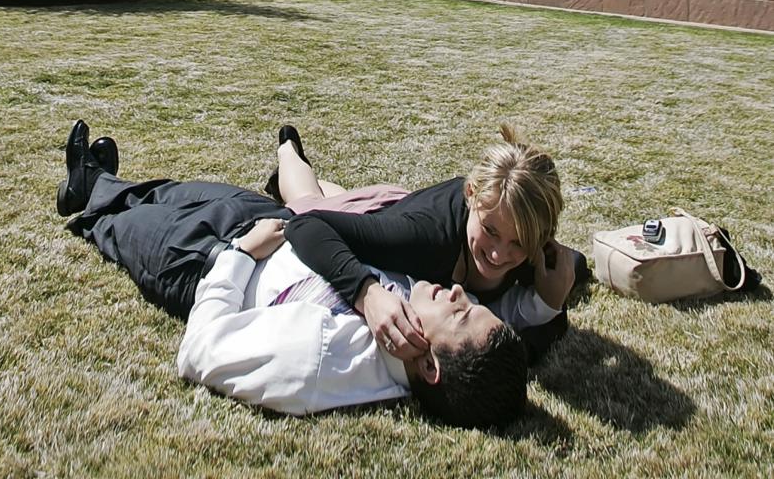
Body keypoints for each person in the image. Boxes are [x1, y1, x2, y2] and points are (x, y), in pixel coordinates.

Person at [56, 122, 529, 429]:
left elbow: (198, 352)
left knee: (118, 225)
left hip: (203, 260)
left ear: (430, 366)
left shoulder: (320, 359)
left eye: (461, 313)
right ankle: (103, 181)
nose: (457, 293)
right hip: (270, 225)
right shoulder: (412, 313)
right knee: (176, 190)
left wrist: (239, 254)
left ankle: (90, 189)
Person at [285, 125, 582, 367]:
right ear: (471, 194)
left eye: (518, 242)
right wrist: (368, 293)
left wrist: (550, 304)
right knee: (306, 200)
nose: (498, 254)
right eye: (490, 231)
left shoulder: (537, 253)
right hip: (384, 213)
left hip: (398, 207)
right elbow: (307, 225)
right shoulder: (422, 238)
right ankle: (287, 149)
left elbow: (551, 317)